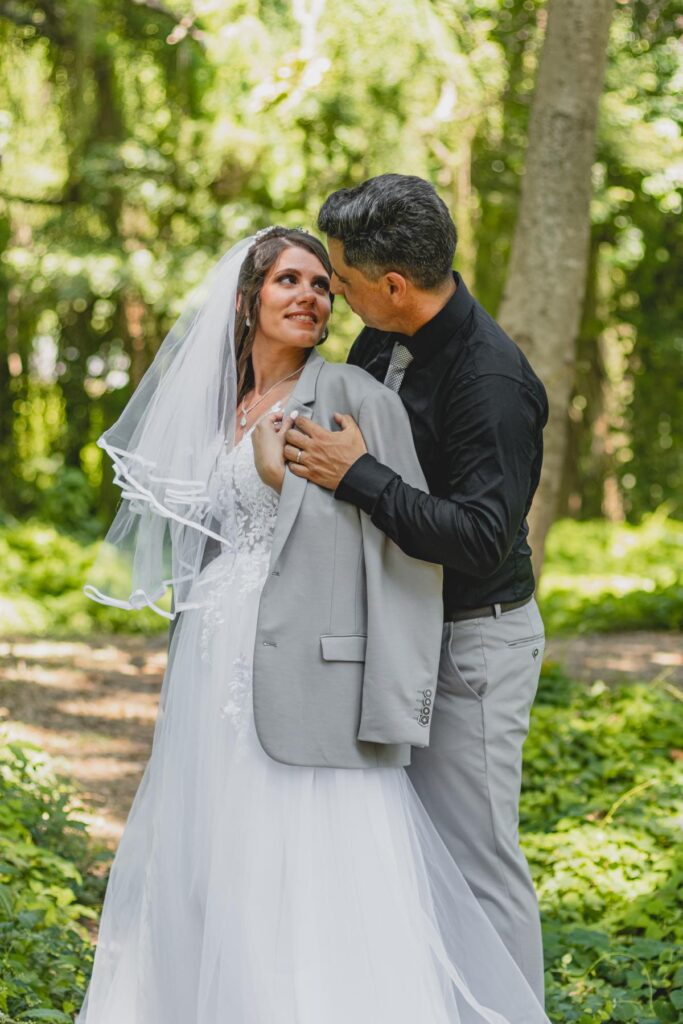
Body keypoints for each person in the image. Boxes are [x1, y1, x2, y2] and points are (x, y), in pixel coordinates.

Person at [78, 227, 549, 1024]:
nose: (311, 296)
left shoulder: (356, 396)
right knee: (206, 848)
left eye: (321, 285)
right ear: (246, 301)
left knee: (310, 859)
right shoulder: (223, 403)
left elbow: (397, 554)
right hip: (212, 657)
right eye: (288, 281)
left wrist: (287, 484)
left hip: (314, 666)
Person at [282, 175, 549, 1001]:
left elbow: (478, 537)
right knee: (398, 850)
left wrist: (357, 475)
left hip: (471, 645)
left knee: (475, 860)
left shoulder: (491, 383)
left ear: (392, 285)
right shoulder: (374, 344)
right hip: (393, 632)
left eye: (341, 279)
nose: (333, 292)